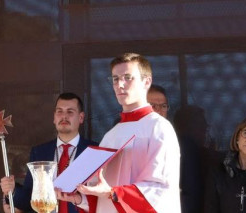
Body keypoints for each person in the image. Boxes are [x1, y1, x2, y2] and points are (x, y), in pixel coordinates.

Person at [58, 52, 180, 212]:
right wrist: (80, 198)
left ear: (146, 82)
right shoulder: (111, 135)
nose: (119, 84)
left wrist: (111, 193)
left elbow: (160, 190)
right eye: (115, 79)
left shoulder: (159, 128)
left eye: (127, 77)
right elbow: (100, 194)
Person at [0, 93, 95, 213]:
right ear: (54, 117)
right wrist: (12, 191)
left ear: (81, 117)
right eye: (59, 111)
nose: (64, 116)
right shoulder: (39, 152)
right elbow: (29, 199)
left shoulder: (94, 151)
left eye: (70, 112)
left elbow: (100, 199)